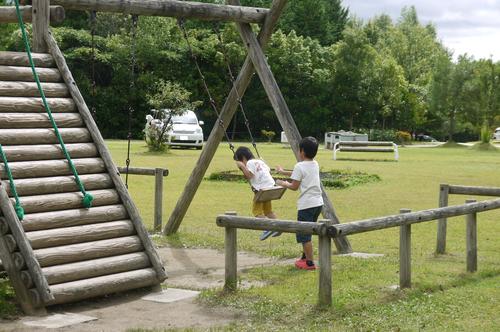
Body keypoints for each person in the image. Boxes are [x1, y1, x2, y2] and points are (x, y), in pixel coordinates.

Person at [276, 137, 323, 270]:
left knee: (304, 234)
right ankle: (304, 257)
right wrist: (283, 171)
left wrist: (283, 183)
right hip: (318, 204)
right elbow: (299, 173)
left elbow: (294, 186)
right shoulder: (315, 164)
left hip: (306, 205)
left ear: (301, 151)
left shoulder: (299, 166)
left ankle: (309, 263)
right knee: (308, 231)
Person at [234, 146, 281, 240]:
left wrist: (242, 166)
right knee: (268, 211)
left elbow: (249, 176)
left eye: (239, 160)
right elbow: (267, 170)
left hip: (261, 190)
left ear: (243, 158)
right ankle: (279, 227)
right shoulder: (260, 161)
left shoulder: (249, 163)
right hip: (270, 188)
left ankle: (268, 228)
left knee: (256, 211)